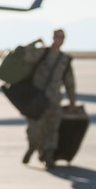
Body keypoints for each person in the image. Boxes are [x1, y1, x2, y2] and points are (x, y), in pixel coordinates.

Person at [21, 29, 77, 167]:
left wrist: (72, 102)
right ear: (52, 38)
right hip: (37, 99)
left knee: (52, 129)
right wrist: (35, 42)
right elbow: (26, 55)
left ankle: (48, 156)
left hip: (54, 100)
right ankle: (32, 147)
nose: (59, 39)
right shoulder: (42, 53)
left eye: (62, 37)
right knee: (35, 129)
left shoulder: (65, 59)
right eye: (57, 36)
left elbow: (69, 82)